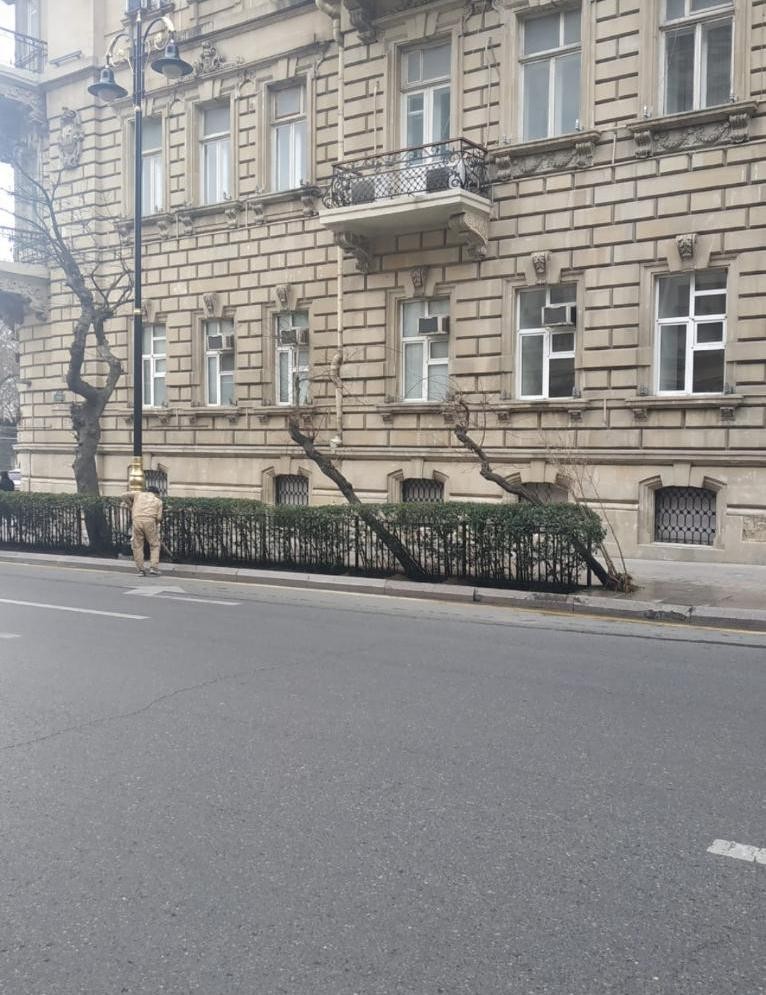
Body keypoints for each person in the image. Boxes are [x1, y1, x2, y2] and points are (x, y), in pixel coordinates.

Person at [122, 485, 163, 576]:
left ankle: (141, 570)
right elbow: (159, 517)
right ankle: (153, 568)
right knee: (154, 545)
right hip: (150, 521)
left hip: (136, 520)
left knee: (137, 546)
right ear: (156, 493)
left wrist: (131, 506)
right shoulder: (158, 501)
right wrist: (155, 524)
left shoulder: (138, 494)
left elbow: (123, 495)